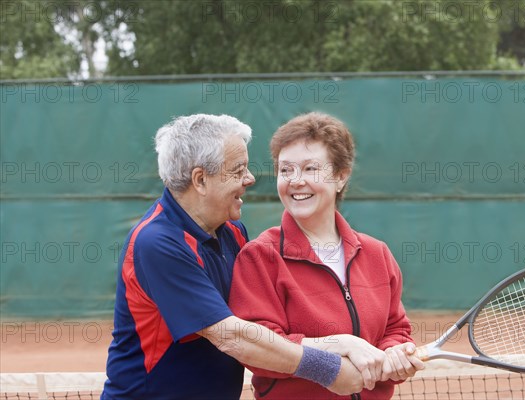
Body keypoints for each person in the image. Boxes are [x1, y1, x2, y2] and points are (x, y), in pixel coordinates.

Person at [101, 114, 370, 400]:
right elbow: (232, 336)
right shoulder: (156, 243)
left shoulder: (231, 230)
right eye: (239, 169)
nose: (250, 179)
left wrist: (338, 343)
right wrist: (328, 368)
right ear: (200, 180)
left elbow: (260, 326)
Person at [229, 112, 425, 399]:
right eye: (285, 170)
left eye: (310, 169)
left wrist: (395, 352)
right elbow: (259, 346)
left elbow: (395, 328)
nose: (295, 181)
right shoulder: (260, 256)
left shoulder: (377, 254)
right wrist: (338, 345)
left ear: (341, 177)